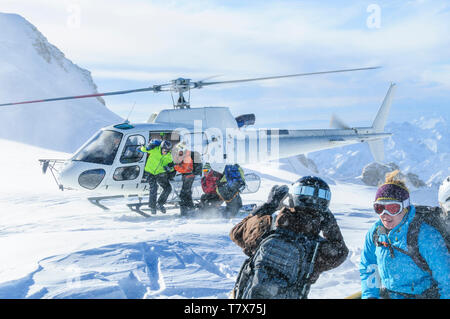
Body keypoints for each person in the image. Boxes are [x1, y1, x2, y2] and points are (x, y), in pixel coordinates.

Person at [230, 176, 349, 299]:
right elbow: (341, 253)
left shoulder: (266, 226)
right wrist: (330, 222)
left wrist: (269, 205)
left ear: (292, 198)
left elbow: (236, 232)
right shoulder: (315, 248)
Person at [359, 170, 450, 299]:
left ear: (405, 208)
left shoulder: (424, 235)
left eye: (393, 208)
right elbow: (368, 266)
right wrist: (370, 295)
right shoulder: (375, 233)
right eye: (379, 208)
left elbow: (446, 280)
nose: (385, 215)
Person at [140, 140, 174, 214]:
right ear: (161, 148)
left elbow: (172, 166)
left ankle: (160, 203)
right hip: (149, 172)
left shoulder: (168, 156)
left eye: (167, 151)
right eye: (164, 150)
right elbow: (143, 149)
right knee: (154, 187)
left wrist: (170, 168)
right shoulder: (155, 150)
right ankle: (152, 206)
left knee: (168, 188)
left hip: (159, 173)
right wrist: (146, 147)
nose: (165, 152)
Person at [172, 143, 198, 216]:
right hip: (187, 176)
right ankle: (190, 210)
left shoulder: (187, 157)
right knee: (187, 194)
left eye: (179, 151)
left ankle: (185, 212)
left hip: (188, 176)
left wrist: (175, 166)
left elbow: (185, 169)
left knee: (183, 195)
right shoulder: (184, 155)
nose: (178, 153)